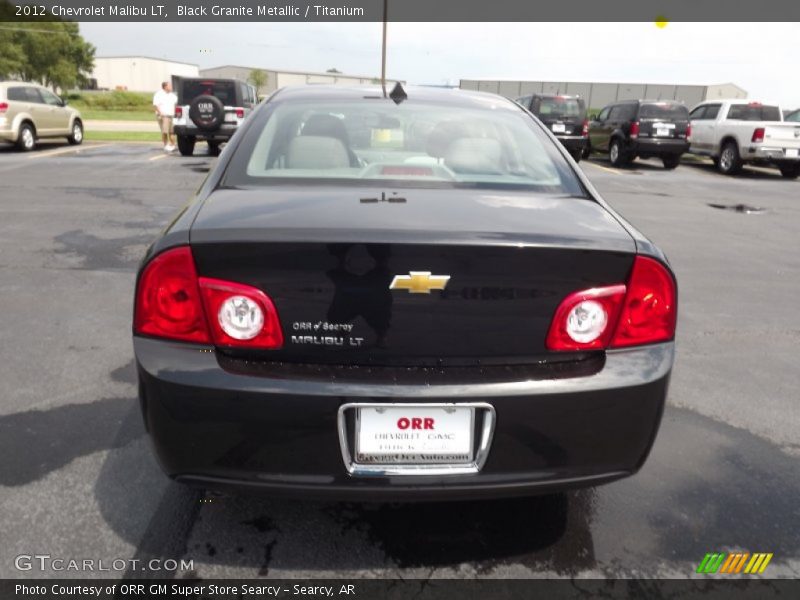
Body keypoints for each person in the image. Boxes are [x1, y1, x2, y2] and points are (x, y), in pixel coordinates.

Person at [153, 81, 178, 152]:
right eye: (170, 86)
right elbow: (155, 105)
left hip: (171, 115)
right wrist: (160, 114)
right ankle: (166, 145)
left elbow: (176, 104)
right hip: (163, 115)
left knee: (172, 131)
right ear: (165, 87)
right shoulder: (158, 94)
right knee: (164, 131)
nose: (171, 87)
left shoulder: (172, 95)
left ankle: (173, 145)